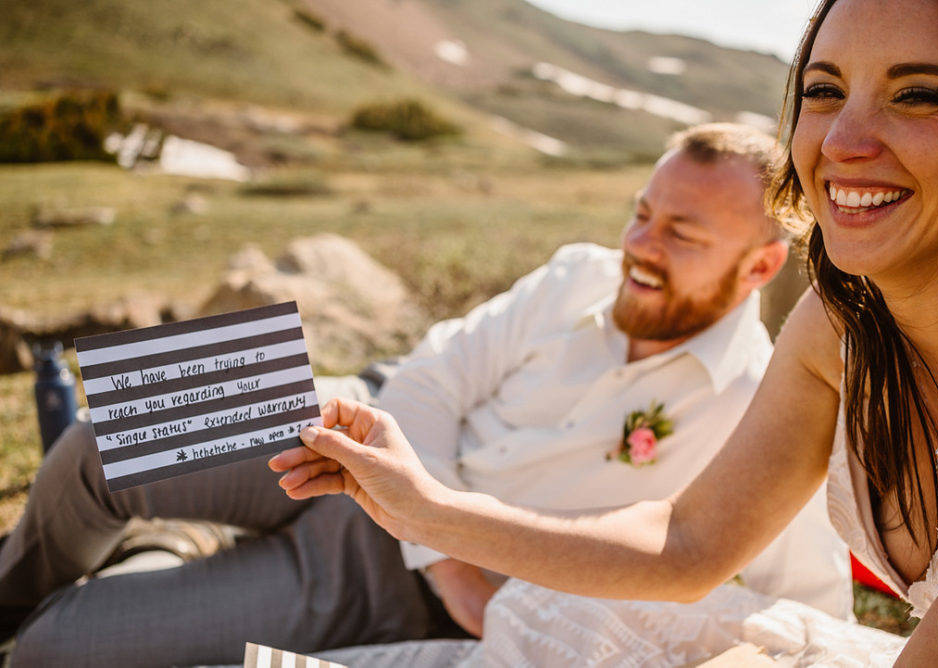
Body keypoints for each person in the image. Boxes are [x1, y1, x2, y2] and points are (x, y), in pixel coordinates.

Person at [271, 0, 938, 664]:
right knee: (585, 620)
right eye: (823, 91)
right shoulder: (836, 327)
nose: (842, 141)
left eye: (918, 95)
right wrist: (429, 513)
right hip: (370, 474)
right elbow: (685, 545)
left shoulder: (751, 368)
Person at [0, 123, 851, 666]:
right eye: (641, 212)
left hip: (385, 583)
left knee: (54, 651)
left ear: (761, 268)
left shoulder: (762, 401)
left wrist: (458, 583)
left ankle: (167, 550)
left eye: (681, 233)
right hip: (354, 415)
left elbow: (809, 615)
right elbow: (426, 381)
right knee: (106, 432)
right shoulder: (574, 271)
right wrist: (443, 555)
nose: (639, 244)